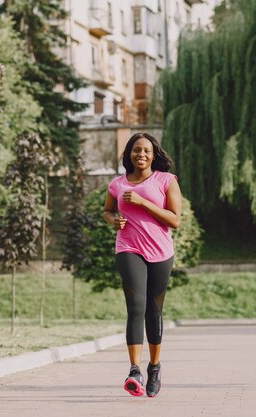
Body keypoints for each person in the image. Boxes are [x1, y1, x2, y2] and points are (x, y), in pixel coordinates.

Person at [103, 132, 182, 398]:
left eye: (147, 150)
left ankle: (155, 367)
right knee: (135, 307)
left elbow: (174, 220)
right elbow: (108, 210)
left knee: (153, 310)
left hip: (160, 252)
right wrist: (113, 220)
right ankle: (134, 370)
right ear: (129, 154)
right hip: (128, 248)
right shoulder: (117, 184)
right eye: (137, 150)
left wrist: (143, 202)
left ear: (154, 154)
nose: (142, 155)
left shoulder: (166, 180)